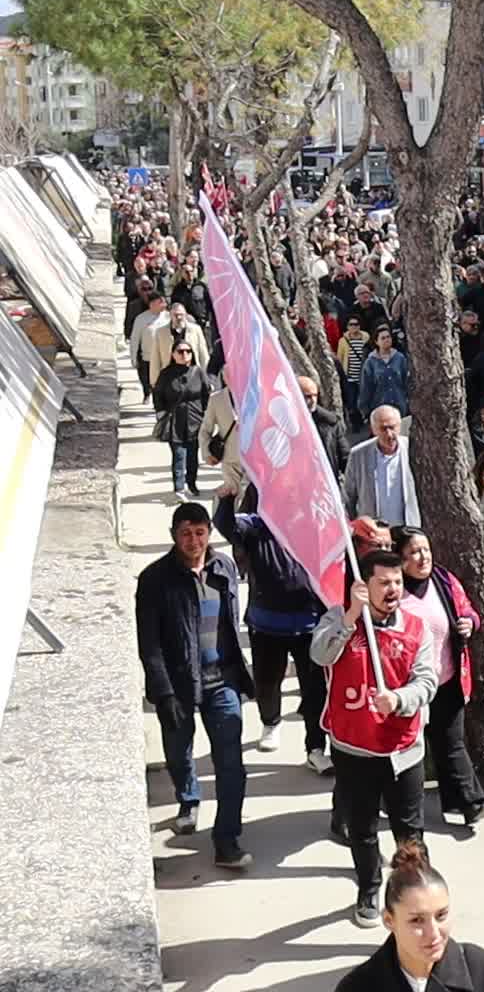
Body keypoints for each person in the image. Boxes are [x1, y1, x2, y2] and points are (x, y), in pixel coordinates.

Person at [312, 550, 438, 927]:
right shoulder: (338, 618)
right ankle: (369, 887)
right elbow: (320, 655)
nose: (393, 589)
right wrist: (351, 618)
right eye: (384, 582)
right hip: (354, 748)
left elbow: (427, 682)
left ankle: (417, 891)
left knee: (408, 830)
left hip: (404, 750)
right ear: (364, 586)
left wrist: (399, 700)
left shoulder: (417, 628)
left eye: (398, 582)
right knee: (363, 828)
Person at [136, 502, 255, 868]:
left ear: (209, 533)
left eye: (200, 532)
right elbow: (149, 644)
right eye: (186, 533)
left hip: (222, 682)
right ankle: (188, 797)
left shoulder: (224, 568)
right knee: (178, 751)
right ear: (174, 535)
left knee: (231, 763)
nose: (193, 540)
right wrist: (164, 692)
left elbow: (230, 626)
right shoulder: (155, 579)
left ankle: (226, 840)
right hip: (178, 685)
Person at [212, 488, 330, 774]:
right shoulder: (256, 526)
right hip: (266, 625)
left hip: (309, 625)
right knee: (267, 682)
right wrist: (226, 499)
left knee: (314, 690)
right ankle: (270, 723)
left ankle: (315, 747)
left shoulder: (315, 529)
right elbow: (227, 525)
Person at [390, 528, 484, 826]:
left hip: (447, 679)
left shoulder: (444, 580)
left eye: (426, 550)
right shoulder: (394, 589)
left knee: (451, 742)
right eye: (413, 553)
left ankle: (469, 803)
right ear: (399, 559)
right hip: (408, 687)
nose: (423, 558)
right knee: (407, 748)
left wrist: (469, 623)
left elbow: (468, 610)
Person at [332, 842, 484, 992]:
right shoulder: (357, 987)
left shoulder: (480, 970)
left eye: (441, 915)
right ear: (389, 920)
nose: (433, 933)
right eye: (417, 920)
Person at [343, 406, 421, 526]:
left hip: (408, 530)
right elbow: (348, 498)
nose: (389, 434)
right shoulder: (358, 455)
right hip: (375, 533)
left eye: (392, 427)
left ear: (399, 426)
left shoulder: (413, 449)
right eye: (383, 429)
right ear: (374, 430)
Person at [154, 340, 211, 499]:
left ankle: (191, 483)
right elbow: (158, 395)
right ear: (173, 354)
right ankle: (179, 487)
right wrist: (160, 413)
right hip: (174, 420)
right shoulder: (166, 374)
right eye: (180, 351)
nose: (184, 354)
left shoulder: (198, 372)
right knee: (179, 455)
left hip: (195, 420)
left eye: (188, 351)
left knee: (193, 455)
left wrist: (207, 416)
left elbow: (206, 394)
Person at [357, 326, 411, 419]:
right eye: (383, 338)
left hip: (400, 405)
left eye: (388, 337)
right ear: (376, 342)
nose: (386, 340)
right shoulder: (370, 362)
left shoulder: (399, 358)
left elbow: (406, 381)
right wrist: (364, 408)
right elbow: (365, 387)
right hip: (380, 407)